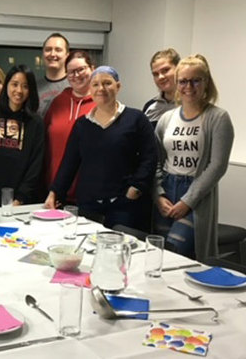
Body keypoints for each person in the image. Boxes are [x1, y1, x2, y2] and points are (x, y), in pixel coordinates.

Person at [44, 66, 158, 230]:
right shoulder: (82, 124)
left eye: (107, 83)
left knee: (120, 250)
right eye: (95, 84)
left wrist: (136, 188)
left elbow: (150, 157)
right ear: (90, 89)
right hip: (89, 204)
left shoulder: (136, 119)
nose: (101, 89)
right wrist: (54, 192)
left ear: (118, 87)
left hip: (124, 205)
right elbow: (69, 162)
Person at [153, 54, 234, 261]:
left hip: (195, 194)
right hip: (167, 189)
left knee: (177, 250)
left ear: (206, 82)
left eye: (195, 80)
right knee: (159, 252)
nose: (189, 86)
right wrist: (158, 194)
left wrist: (188, 201)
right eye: (183, 81)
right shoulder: (166, 119)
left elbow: (217, 166)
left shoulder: (218, 118)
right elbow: (156, 160)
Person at [0, 65, 44, 206]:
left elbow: (36, 164)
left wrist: (21, 198)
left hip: (20, 201)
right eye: (14, 84)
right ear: (6, 86)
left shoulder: (35, 123)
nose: (19, 90)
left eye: (25, 86)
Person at [43, 50, 96, 203]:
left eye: (81, 69)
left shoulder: (101, 104)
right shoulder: (58, 102)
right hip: (54, 191)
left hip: (87, 193)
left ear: (92, 68)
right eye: (71, 72)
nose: (76, 75)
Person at [142, 48, 181, 129]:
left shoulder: (192, 103)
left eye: (165, 70)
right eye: (155, 74)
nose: (160, 77)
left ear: (179, 69)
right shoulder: (150, 106)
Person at [36, 33, 70, 118]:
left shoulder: (74, 86)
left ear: (67, 55)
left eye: (58, 50)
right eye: (48, 49)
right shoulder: (34, 87)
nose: (52, 54)